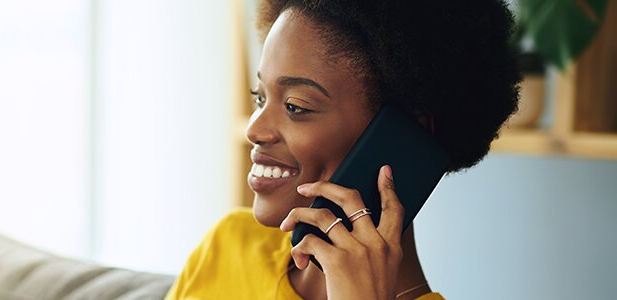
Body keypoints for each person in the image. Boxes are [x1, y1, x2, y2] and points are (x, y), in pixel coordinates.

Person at [165, 0, 520, 299]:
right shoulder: (228, 246)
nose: (254, 129)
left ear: (405, 136)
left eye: (295, 106)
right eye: (261, 97)